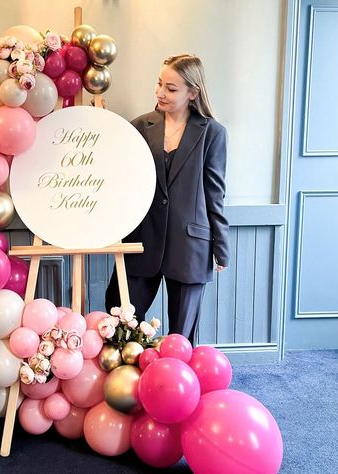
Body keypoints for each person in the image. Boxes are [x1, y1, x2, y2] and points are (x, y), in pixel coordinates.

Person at [105, 54, 229, 346]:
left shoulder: (213, 133)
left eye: (171, 88)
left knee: (181, 339)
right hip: (141, 240)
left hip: (190, 248)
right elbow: (123, 184)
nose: (160, 93)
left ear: (193, 93)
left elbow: (215, 193)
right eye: (160, 84)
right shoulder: (139, 126)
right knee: (118, 326)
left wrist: (221, 247)